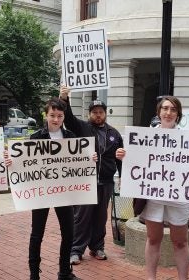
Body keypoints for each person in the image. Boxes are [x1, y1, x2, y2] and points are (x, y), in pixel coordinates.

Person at [116, 96, 189, 280]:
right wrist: (123, 155)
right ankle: (151, 278)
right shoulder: (144, 137)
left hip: (179, 197)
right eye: (165, 108)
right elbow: (135, 162)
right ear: (159, 112)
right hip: (153, 198)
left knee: (180, 242)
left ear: (178, 114)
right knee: (153, 239)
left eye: (173, 109)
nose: (168, 112)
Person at [59, 86, 123, 265]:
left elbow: (120, 157)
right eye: (94, 112)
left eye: (100, 112)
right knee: (82, 217)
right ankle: (76, 250)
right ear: (89, 114)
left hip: (106, 182)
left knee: (100, 217)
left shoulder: (114, 134)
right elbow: (69, 119)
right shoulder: (82, 128)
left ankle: (97, 247)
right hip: (85, 181)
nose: (97, 115)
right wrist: (65, 99)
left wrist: (123, 176)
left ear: (105, 113)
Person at [24, 97, 82, 280]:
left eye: (59, 115)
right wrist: (13, 162)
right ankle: (34, 274)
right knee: (37, 234)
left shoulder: (71, 137)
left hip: (63, 193)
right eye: (52, 115)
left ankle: (64, 272)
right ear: (45, 115)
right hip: (41, 193)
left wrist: (90, 159)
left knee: (68, 233)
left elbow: (79, 164)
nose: (55, 119)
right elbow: (26, 164)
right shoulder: (36, 137)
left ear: (64, 116)